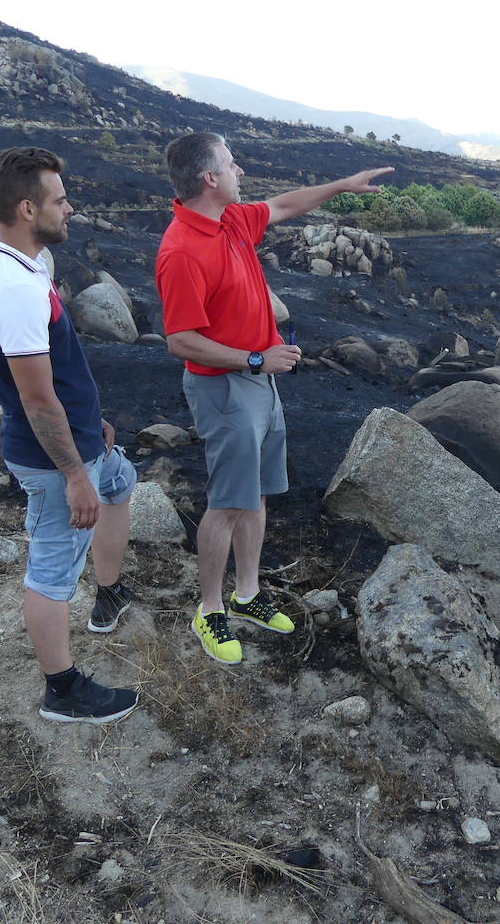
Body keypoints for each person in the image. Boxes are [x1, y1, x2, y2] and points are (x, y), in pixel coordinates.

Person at [156, 132, 391, 665]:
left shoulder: (231, 220)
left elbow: (285, 205)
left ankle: (247, 594)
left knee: (257, 493)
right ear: (209, 179)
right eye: (232, 165)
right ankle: (210, 609)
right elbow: (179, 340)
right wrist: (257, 360)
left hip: (260, 382)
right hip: (226, 388)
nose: (241, 171)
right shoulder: (181, 250)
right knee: (227, 502)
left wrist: (344, 187)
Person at [0, 146, 139, 723]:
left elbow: (55, 375)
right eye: (60, 200)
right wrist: (72, 476)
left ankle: (109, 591)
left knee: (120, 482)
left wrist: (90, 425)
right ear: (26, 208)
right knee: (50, 572)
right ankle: (62, 691)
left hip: (83, 439)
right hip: (52, 460)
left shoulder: (24, 262)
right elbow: (37, 399)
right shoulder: (14, 290)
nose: (70, 210)